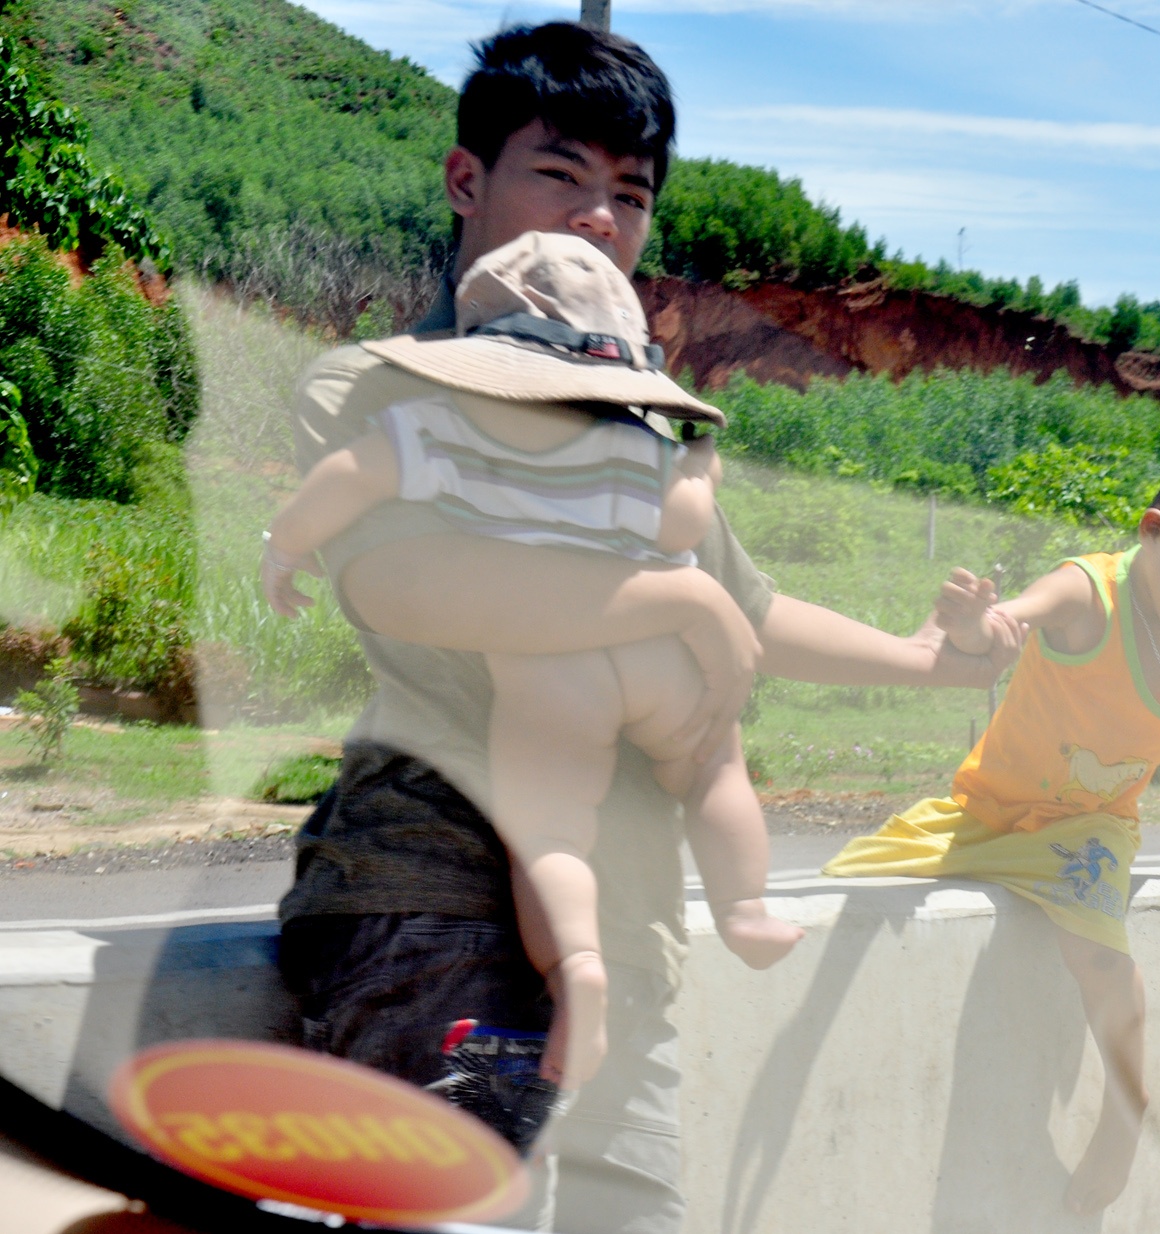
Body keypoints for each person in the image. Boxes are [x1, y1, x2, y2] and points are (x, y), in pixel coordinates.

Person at [274, 22, 1014, 1233]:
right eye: (559, 175)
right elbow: (409, 587)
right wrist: (678, 601)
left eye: (630, 193)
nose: (598, 220)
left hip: (624, 919)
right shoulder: (380, 383)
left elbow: (755, 613)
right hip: (433, 893)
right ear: (468, 179)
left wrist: (939, 664)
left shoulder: (633, 416)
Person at [264, 231, 804, 1096]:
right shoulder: (640, 442)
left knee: (549, 830)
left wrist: (286, 545)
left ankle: (575, 964)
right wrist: (700, 464)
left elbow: (347, 477)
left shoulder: (431, 424)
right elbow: (681, 528)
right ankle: (745, 907)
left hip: (551, 670)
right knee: (713, 767)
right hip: (663, 661)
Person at [821, 437, 1160, 1215]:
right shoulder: (1090, 594)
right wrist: (979, 627)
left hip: (1089, 826)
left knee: (1098, 957)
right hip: (989, 812)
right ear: (1154, 531)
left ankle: (1127, 1108)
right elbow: (1008, 625)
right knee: (849, 882)